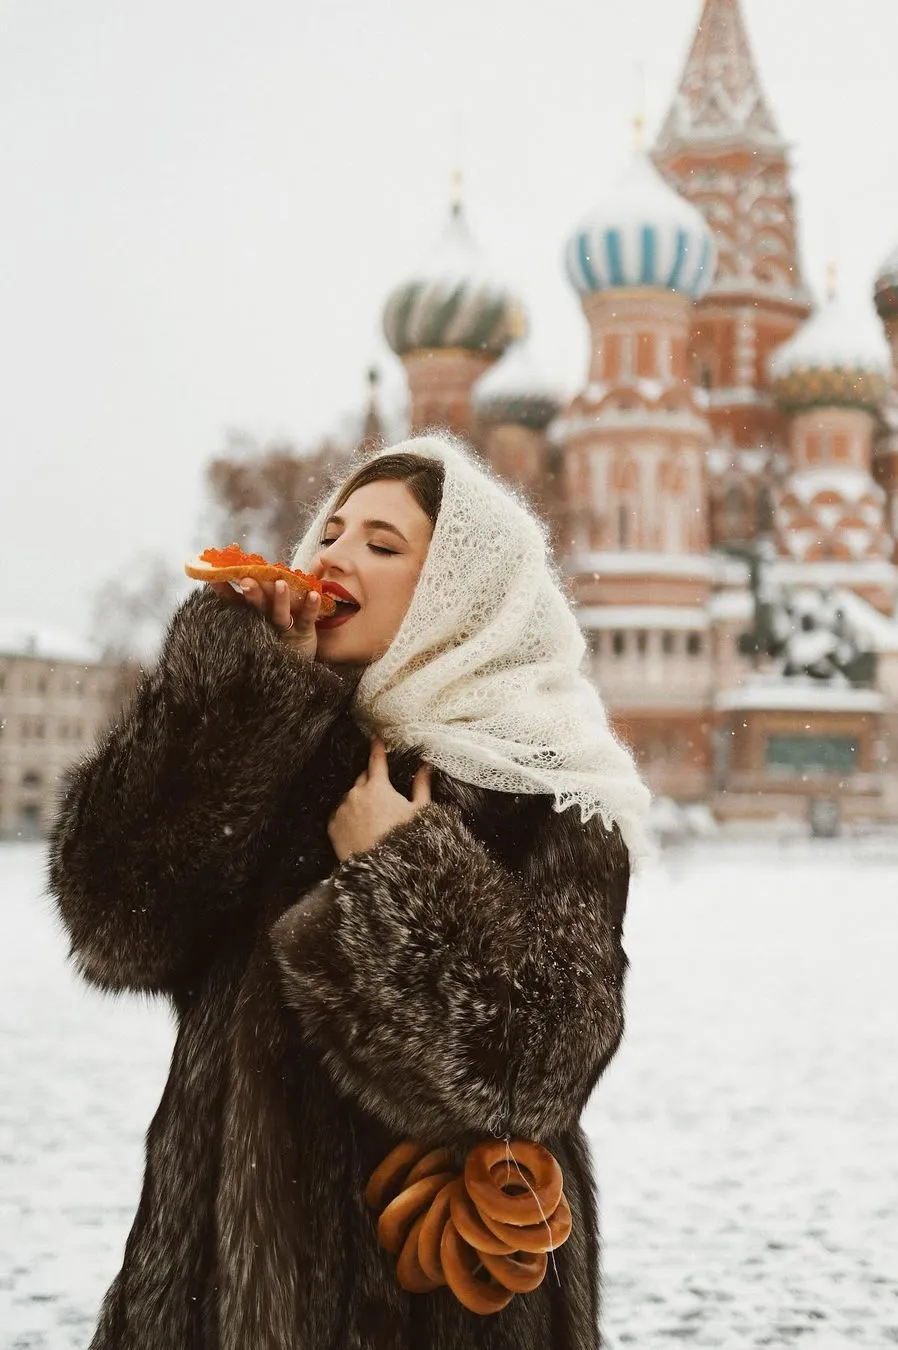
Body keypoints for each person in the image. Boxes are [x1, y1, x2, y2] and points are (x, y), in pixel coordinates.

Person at [47, 433, 651, 1350]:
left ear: (462, 592)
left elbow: (537, 1067)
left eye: (381, 543)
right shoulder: (278, 739)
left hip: (438, 1302)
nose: (330, 557)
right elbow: (115, 918)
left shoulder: (549, 789)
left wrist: (402, 872)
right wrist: (228, 695)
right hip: (210, 1296)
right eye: (329, 532)